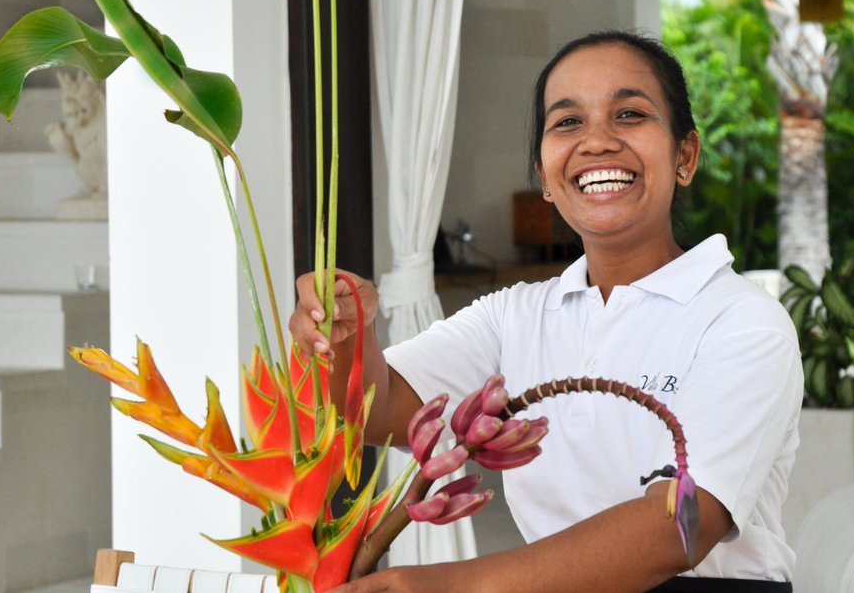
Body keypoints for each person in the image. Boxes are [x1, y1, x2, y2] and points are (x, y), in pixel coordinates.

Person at [289, 30, 803, 593]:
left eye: (629, 114)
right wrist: (344, 336)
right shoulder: (514, 317)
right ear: (545, 179)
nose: (598, 141)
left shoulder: (742, 321)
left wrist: (448, 586)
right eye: (567, 122)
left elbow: (680, 527)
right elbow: (374, 412)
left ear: (685, 156)